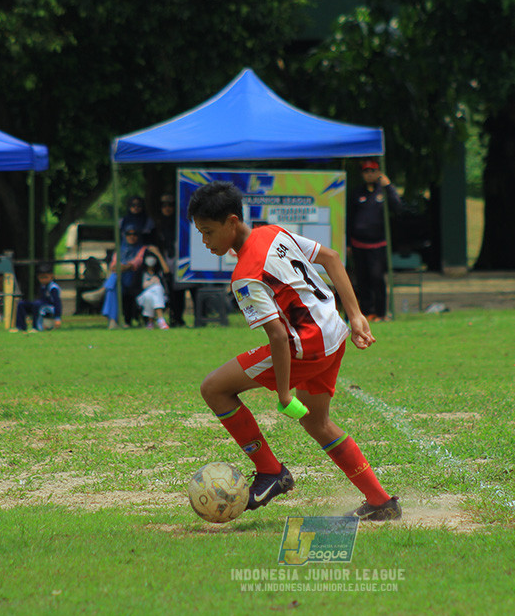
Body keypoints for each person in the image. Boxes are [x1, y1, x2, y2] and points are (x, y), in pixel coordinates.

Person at [187, 181, 401, 521]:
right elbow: (331, 258)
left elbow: (277, 336)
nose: (205, 242)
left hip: (306, 346)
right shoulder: (272, 232)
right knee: (317, 422)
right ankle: (380, 502)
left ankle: (271, 471)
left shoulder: (245, 275)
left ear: (232, 222)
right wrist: (356, 315)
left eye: (208, 232)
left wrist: (285, 393)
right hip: (334, 333)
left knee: (213, 388)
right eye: (201, 233)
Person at [347, 159, 401, 322]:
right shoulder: (357, 192)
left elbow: (398, 208)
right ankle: (366, 312)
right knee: (362, 279)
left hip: (378, 244)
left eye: (372, 171)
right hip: (358, 244)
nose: (369, 174)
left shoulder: (383, 191)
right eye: (366, 171)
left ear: (378, 172)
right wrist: (348, 243)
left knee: (377, 277)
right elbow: (349, 218)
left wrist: (388, 186)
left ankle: (381, 313)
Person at [155, 192, 195, 327]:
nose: (167, 208)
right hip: (169, 260)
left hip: (184, 259)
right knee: (174, 292)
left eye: (170, 205)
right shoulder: (159, 225)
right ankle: (176, 318)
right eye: (164, 205)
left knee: (192, 288)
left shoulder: (181, 222)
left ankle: (198, 318)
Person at [12, 262, 62, 332]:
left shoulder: (53, 288)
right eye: (41, 277)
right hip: (40, 304)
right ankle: (20, 326)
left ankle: (37, 327)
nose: (43, 280)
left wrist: (57, 318)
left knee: (38, 305)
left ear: (51, 276)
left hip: (50, 307)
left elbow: (57, 303)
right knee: (22, 304)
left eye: (45, 277)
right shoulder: (42, 286)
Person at [135, 244, 170, 330]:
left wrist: (158, 254)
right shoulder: (141, 272)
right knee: (154, 290)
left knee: (153, 292)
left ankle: (150, 322)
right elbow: (138, 289)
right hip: (142, 297)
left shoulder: (159, 272)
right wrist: (150, 283)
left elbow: (166, 271)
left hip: (158, 297)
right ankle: (160, 319)